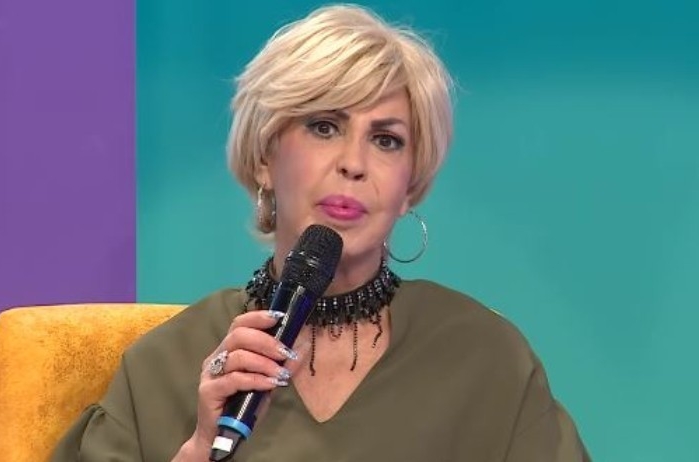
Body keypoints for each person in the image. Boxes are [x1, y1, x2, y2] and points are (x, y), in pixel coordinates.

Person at [51, 4, 590, 461]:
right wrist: (195, 451)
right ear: (265, 157)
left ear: (410, 187)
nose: (353, 163)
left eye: (386, 140)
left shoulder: (486, 360)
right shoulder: (162, 367)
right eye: (324, 126)